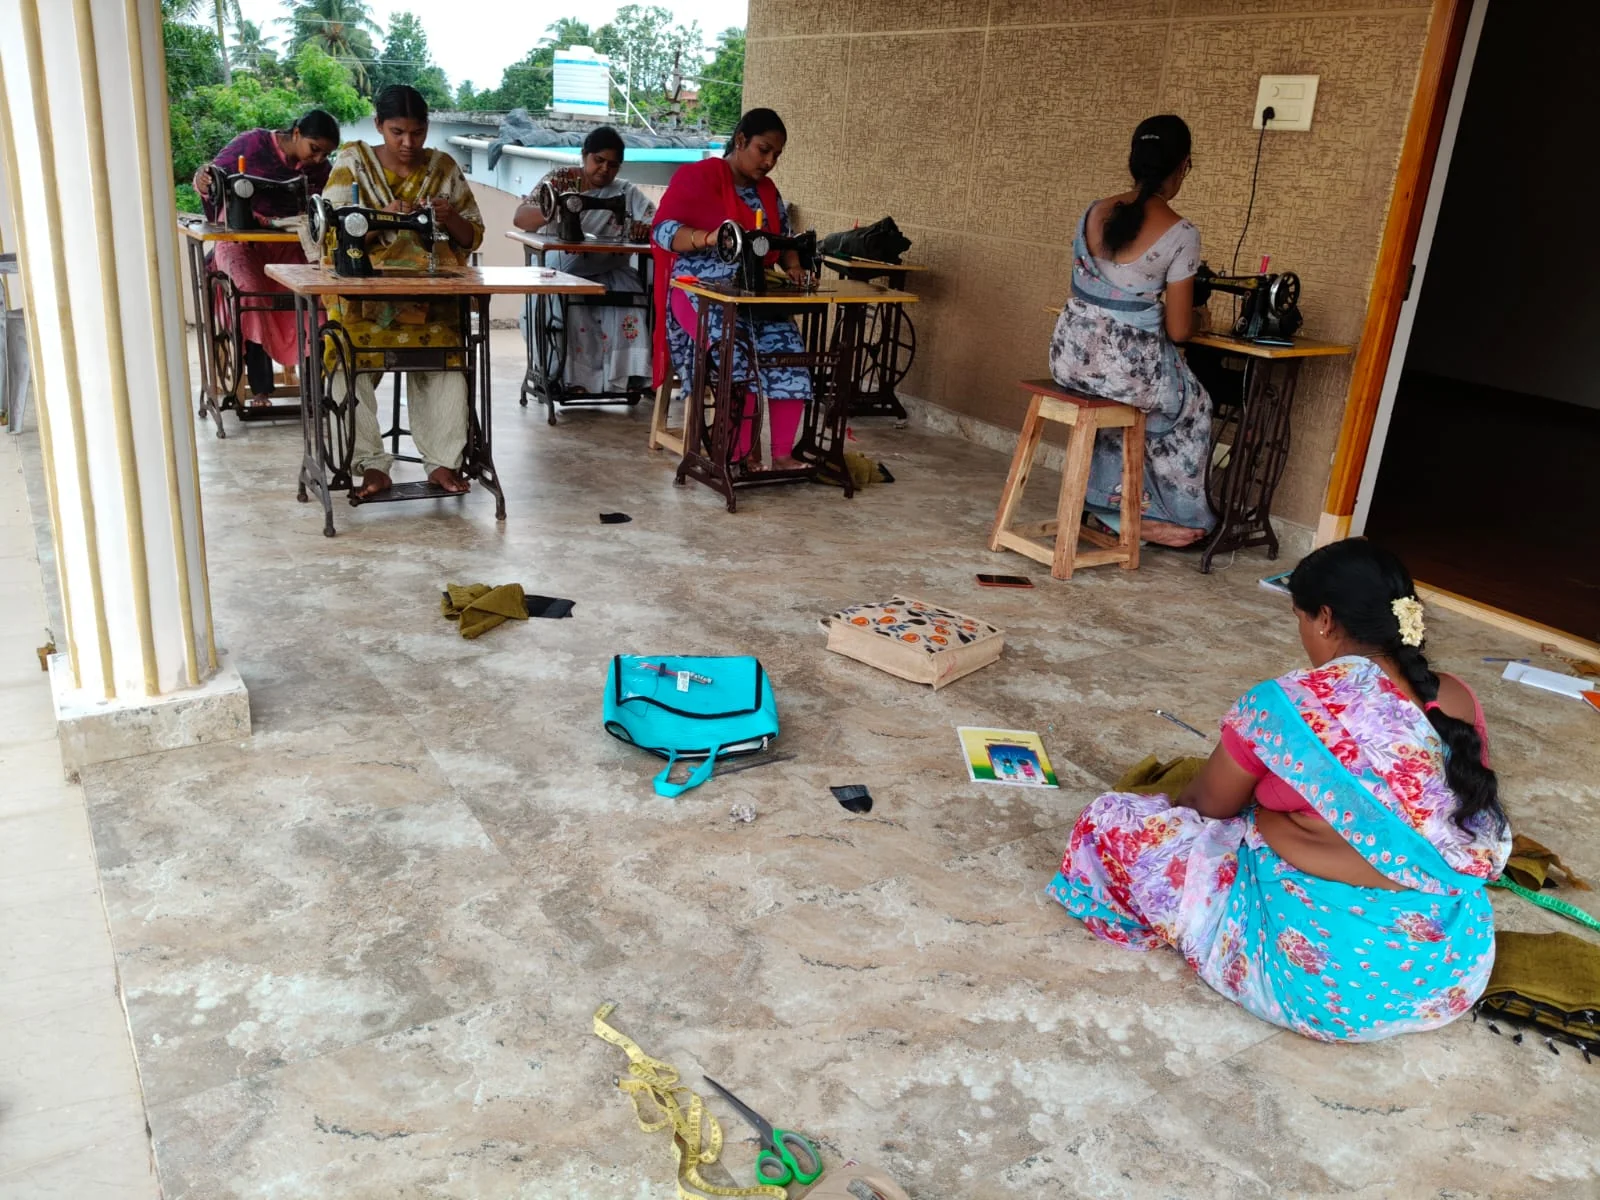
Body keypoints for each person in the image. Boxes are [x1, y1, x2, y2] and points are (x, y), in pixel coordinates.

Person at [1049, 538, 1512, 1042]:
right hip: (1448, 972)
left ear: (1325, 619)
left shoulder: (1284, 707)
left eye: (1299, 618)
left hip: (1328, 989)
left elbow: (1208, 805)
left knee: (1110, 821)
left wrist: (1223, 805)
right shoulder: (1455, 696)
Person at [1050, 114, 1214, 548]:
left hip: (1069, 357)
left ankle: (1108, 507)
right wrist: (1201, 318)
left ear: (1133, 161)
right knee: (1191, 405)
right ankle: (1144, 515)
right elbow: (1179, 331)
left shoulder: (1093, 211)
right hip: (1123, 371)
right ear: (1182, 167)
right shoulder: (1181, 232)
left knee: (1125, 413)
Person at [317, 85, 484, 498]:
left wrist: (448, 216)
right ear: (378, 125)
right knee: (342, 364)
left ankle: (443, 463)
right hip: (362, 304)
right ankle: (371, 465)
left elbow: (472, 236)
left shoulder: (442, 168)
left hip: (430, 303)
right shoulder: (353, 163)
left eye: (418, 132)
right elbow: (331, 236)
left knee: (448, 365)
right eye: (397, 132)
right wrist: (377, 218)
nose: (408, 143)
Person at [650, 108, 811, 471]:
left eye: (776, 156)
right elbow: (661, 231)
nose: (769, 162)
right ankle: (740, 453)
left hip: (750, 296)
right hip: (698, 294)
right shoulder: (697, 177)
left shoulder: (768, 192)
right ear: (740, 141)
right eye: (763, 150)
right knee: (738, 363)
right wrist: (707, 238)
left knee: (791, 356)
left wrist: (795, 266)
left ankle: (783, 454)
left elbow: (782, 241)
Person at [193, 111, 339, 406]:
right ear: (296, 133)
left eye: (326, 154)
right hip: (243, 241)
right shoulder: (251, 144)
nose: (319, 158)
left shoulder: (321, 169)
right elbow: (212, 180)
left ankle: (314, 390)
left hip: (287, 241)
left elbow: (328, 203)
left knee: (315, 296)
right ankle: (261, 389)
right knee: (249, 293)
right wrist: (204, 179)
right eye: (315, 148)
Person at [512, 126, 657, 395]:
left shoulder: (625, 192)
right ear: (584, 155)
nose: (604, 169)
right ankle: (566, 379)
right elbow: (520, 218)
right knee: (566, 307)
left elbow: (655, 222)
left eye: (613, 165)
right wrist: (554, 210)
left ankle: (623, 379)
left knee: (631, 299)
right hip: (562, 268)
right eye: (598, 160)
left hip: (607, 267)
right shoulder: (561, 179)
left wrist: (643, 228)